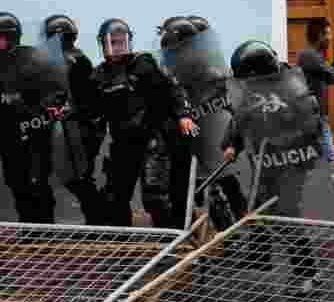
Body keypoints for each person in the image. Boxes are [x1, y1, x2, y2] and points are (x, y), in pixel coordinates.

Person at [222, 40, 322, 295]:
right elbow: (242, 116)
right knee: (269, 215)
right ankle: (300, 266)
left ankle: (307, 274)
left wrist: (281, 138)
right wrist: (232, 143)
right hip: (266, 161)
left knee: (288, 216)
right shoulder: (254, 88)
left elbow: (311, 126)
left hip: (292, 160)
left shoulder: (293, 87)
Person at [89, 18, 196, 228]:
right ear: (103, 45)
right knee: (114, 197)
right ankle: (120, 245)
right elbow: (93, 114)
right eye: (112, 42)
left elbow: (171, 90)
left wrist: (183, 115)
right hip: (121, 143)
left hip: (151, 140)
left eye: (121, 42)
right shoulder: (98, 75)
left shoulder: (142, 63)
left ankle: (169, 241)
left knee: (155, 197)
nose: (117, 47)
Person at [159, 16, 246, 231]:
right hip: (185, 136)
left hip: (209, 131)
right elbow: (172, 91)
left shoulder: (209, 68)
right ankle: (224, 232)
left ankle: (240, 227)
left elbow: (225, 95)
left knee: (221, 183)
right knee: (203, 187)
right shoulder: (170, 64)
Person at [0, 12, 68, 223]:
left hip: (35, 131)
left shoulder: (32, 57)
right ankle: (28, 231)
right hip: (8, 134)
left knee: (37, 183)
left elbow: (57, 91)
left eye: (3, 37)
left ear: (14, 37)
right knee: (16, 183)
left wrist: (41, 112)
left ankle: (45, 230)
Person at [42, 14, 105, 224]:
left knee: (78, 177)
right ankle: (97, 220)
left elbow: (84, 100)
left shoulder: (73, 61)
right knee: (76, 177)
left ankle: (98, 221)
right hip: (78, 126)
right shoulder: (73, 59)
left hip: (79, 128)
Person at [296, 19, 334, 167]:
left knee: (325, 159)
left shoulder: (314, 55)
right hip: (313, 118)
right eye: (328, 34)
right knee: (328, 158)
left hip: (317, 117)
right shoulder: (309, 55)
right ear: (319, 35)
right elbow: (333, 76)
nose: (330, 38)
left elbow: (330, 78)